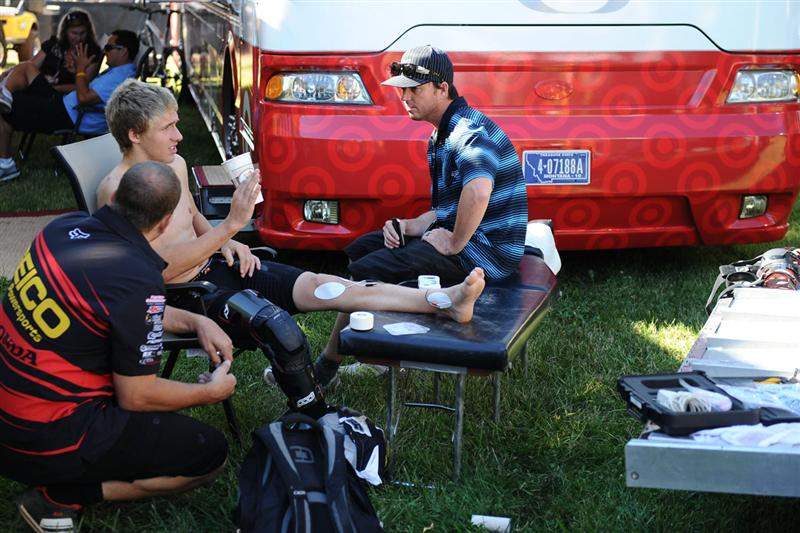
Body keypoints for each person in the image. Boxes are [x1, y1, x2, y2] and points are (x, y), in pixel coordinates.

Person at [96, 79, 486, 400]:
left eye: (177, 123)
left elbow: (192, 217)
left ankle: (444, 301)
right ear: (134, 134)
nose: (179, 135)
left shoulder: (174, 164)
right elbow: (156, 272)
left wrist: (226, 242)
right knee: (279, 327)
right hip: (189, 295)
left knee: (330, 287)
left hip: (220, 265)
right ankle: (312, 408)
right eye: (167, 128)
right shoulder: (117, 191)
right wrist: (230, 227)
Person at [0, 162, 236, 533]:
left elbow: (116, 307)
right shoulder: (136, 277)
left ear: (114, 198)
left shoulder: (62, 228)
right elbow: (137, 396)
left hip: (10, 412)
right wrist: (210, 392)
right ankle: (63, 494)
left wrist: (195, 320)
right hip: (42, 435)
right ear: (162, 224)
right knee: (210, 454)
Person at [315, 45, 529, 384]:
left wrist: (455, 242)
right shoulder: (441, 132)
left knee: (369, 270)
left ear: (442, 88)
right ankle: (370, 354)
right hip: (472, 242)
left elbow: (479, 190)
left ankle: (328, 368)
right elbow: (446, 208)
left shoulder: (466, 132)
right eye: (402, 89)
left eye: (414, 89)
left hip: (487, 254)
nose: (404, 96)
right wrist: (408, 226)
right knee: (363, 250)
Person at [0, 29, 138, 183]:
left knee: (9, 103)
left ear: (124, 51)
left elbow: (84, 98)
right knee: (26, 68)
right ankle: (4, 92)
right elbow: (86, 91)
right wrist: (79, 73)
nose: (105, 52)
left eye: (109, 48)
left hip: (67, 115)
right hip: (64, 105)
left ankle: (6, 164)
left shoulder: (119, 77)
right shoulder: (118, 72)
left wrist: (80, 70)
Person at [5, 9, 102, 96]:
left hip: (62, 98)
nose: (78, 38)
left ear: (88, 32)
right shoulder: (53, 45)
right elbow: (31, 65)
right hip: (41, 88)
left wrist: (58, 88)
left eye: (82, 33)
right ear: (65, 32)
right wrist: (8, 73)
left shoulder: (92, 53)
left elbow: (84, 87)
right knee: (21, 75)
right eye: (74, 33)